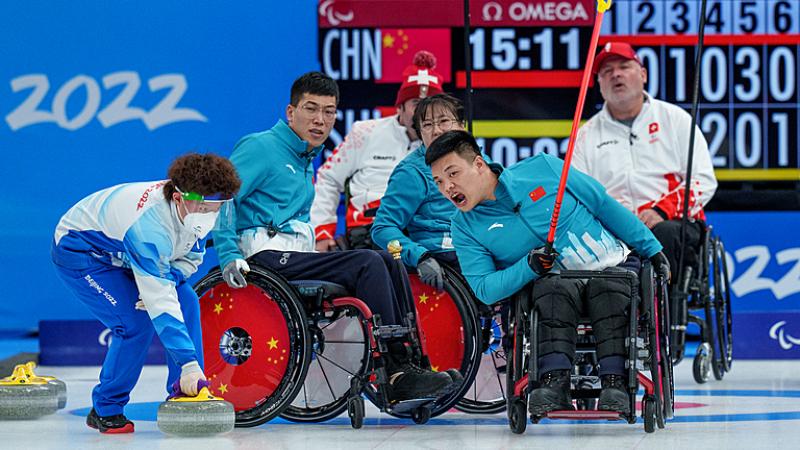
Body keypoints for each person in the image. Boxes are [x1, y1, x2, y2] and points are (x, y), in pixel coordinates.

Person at [213, 71, 458, 403]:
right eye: (311, 109)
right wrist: (228, 253)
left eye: (329, 112)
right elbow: (224, 196)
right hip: (262, 258)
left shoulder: (303, 159)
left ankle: (409, 365)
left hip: (294, 256)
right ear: (290, 112)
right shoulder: (262, 146)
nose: (320, 120)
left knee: (388, 259)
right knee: (369, 261)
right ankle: (396, 373)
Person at [426, 130, 670, 416]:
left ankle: (616, 382)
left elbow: (602, 204)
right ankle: (554, 383)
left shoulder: (544, 168)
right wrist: (527, 267)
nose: (447, 187)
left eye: (453, 173)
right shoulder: (464, 226)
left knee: (609, 289)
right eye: (439, 182)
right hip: (552, 283)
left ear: (479, 164)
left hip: (610, 266)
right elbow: (484, 287)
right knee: (551, 292)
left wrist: (652, 249)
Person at [51, 153, 241, 433]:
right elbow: (161, 300)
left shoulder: (201, 207)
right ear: (178, 198)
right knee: (134, 324)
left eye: (218, 205)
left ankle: (185, 391)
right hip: (83, 252)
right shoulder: (149, 228)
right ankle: (106, 408)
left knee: (186, 299)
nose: (210, 213)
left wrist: (162, 282)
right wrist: (188, 361)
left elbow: (189, 260)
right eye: (204, 206)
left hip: (126, 253)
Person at [572, 42, 718, 282]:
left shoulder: (676, 120)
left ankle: (664, 314)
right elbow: (578, 196)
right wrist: (618, 222)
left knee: (666, 233)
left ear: (643, 74)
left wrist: (661, 210)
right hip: (614, 233)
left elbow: (703, 180)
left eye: (624, 66)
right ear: (599, 85)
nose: (616, 74)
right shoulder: (585, 136)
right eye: (607, 71)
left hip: (672, 224)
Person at [312, 51, 444, 251]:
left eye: (430, 105)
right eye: (416, 103)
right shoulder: (365, 133)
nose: (423, 112)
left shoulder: (445, 144)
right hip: (367, 233)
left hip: (422, 234)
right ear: (400, 106)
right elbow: (328, 178)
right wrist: (321, 232)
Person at [371, 93, 465, 290]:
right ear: (420, 133)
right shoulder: (411, 173)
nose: (437, 131)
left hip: (480, 246)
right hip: (445, 254)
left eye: (444, 121)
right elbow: (382, 228)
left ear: (462, 125)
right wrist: (419, 256)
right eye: (428, 125)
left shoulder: (481, 161)